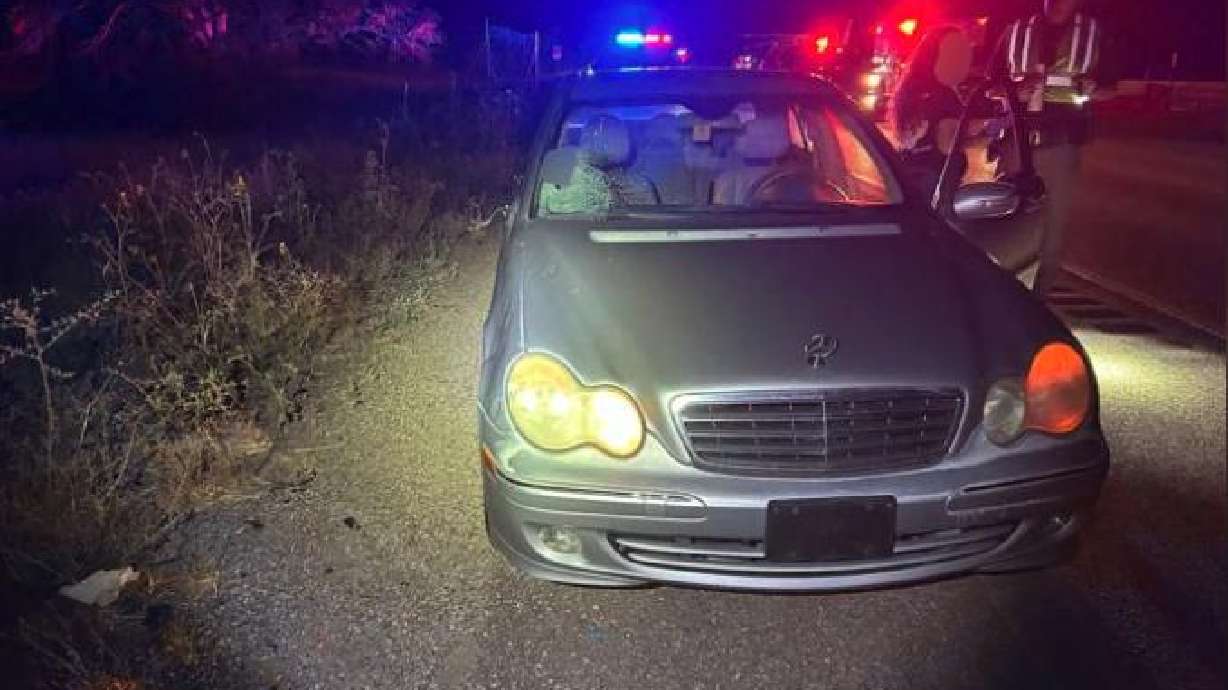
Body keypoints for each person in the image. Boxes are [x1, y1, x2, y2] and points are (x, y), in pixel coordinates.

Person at [992, 0, 1102, 296]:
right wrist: (1016, 89)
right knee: (1006, 223)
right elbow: (990, 86)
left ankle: (1037, 303)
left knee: (1052, 231)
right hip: (1016, 143)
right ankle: (1001, 296)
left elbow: (1111, 85)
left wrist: (1092, 88)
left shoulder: (1091, 35)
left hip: (1061, 145)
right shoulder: (1016, 32)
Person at [891, 26, 976, 207]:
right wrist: (989, 127)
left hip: (909, 174)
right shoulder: (943, 94)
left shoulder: (909, 89)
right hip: (936, 179)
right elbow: (947, 142)